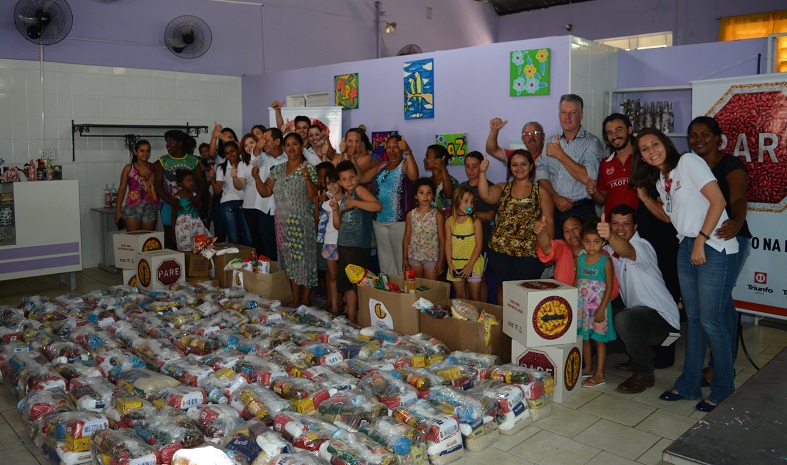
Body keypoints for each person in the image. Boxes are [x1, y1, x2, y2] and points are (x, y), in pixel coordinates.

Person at [630, 128, 739, 412]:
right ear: (641, 157)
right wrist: (645, 198)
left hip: (713, 245)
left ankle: (724, 388)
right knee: (695, 320)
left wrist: (701, 240)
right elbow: (669, 218)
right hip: (687, 244)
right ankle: (690, 384)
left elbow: (718, 201)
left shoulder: (688, 162)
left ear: (666, 144)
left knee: (712, 321)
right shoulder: (663, 180)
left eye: (655, 144)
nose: (651, 151)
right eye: (644, 149)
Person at [688, 116, 752, 387]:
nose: (698, 140)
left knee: (720, 303)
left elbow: (738, 198)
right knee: (720, 303)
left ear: (718, 138)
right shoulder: (692, 164)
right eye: (693, 135)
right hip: (703, 241)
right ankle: (720, 365)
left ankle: (720, 368)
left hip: (729, 238)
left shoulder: (731, 164)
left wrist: (736, 223)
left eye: (705, 134)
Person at [596, 204, 681, 394]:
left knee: (624, 319)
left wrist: (610, 236)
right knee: (596, 321)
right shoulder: (609, 250)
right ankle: (639, 354)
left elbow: (627, 250)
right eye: (615, 223)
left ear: (635, 227)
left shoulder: (642, 246)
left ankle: (644, 373)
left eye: (626, 224)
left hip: (667, 326)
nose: (620, 228)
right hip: (640, 320)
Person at [478, 149, 554, 304]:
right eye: (514, 165)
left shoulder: (540, 191)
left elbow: (550, 222)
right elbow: (486, 195)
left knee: (524, 292)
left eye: (523, 164)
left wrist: (550, 252)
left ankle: (520, 321)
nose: (519, 168)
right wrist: (481, 173)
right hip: (499, 250)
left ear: (531, 166)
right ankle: (504, 319)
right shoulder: (503, 187)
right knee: (502, 288)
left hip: (529, 253)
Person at [253, 133, 320, 307]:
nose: (291, 148)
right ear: (284, 147)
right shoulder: (278, 169)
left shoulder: (309, 168)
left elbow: (314, 196)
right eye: (288, 145)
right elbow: (266, 192)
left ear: (301, 146)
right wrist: (256, 178)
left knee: (305, 262)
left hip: (302, 224)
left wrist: (306, 178)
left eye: (294, 144)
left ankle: (306, 300)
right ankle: (295, 298)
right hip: (282, 225)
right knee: (289, 262)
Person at [535, 94, 604, 238]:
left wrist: (560, 154)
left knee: (583, 251)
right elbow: (541, 173)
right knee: (557, 250)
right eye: (563, 112)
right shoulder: (550, 141)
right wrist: (555, 197)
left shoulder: (592, 142)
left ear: (581, 115)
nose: (567, 117)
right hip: (554, 208)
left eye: (572, 112)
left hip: (581, 210)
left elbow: (589, 177)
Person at [331, 160, 382, 323]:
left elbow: (377, 206)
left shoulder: (359, 190)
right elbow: (337, 225)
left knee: (357, 282)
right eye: (344, 179)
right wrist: (335, 211)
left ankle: (356, 316)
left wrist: (355, 202)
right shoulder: (343, 199)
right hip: (344, 245)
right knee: (347, 283)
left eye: (351, 177)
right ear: (339, 182)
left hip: (358, 246)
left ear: (358, 177)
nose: (349, 182)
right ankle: (351, 316)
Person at [363, 135, 419, 276]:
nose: (392, 151)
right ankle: (389, 288)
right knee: (385, 261)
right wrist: (350, 156)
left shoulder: (405, 164)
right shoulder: (382, 166)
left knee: (401, 260)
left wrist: (408, 152)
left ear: (401, 149)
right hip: (379, 221)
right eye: (389, 147)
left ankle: (403, 289)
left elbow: (414, 177)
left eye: (395, 147)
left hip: (399, 221)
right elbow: (361, 178)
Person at [576, 216, 616, 388]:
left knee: (599, 340)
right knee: (584, 338)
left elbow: (609, 287)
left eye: (596, 242)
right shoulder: (580, 260)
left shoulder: (606, 262)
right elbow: (576, 283)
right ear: (582, 242)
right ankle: (588, 367)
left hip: (599, 307)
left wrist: (601, 309)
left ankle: (600, 374)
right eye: (587, 242)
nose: (591, 246)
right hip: (582, 308)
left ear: (603, 242)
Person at [153, 130, 207, 249]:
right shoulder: (163, 161)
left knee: (193, 238)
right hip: (169, 204)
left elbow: (201, 181)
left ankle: (191, 261)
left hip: (190, 204)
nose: (168, 145)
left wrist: (198, 197)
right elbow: (157, 185)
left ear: (180, 143)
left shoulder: (193, 160)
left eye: (171, 141)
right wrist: (170, 201)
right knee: (171, 238)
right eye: (167, 142)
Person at [587, 113, 639, 217]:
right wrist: (594, 192)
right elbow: (601, 200)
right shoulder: (605, 163)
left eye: (619, 130)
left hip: (639, 222)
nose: (614, 136)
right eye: (610, 133)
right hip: (612, 223)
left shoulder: (642, 159)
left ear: (629, 130)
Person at [252, 127, 287, 261]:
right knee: (268, 247)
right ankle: (271, 272)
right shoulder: (263, 157)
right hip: (265, 209)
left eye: (266, 140)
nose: (263, 143)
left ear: (277, 141)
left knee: (284, 246)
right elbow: (255, 158)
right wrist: (257, 147)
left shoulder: (289, 158)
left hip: (284, 210)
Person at [209, 141, 253, 246]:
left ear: (238, 151)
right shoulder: (221, 168)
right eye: (227, 153)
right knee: (234, 238)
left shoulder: (247, 164)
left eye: (232, 151)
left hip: (246, 203)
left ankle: (249, 256)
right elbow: (217, 190)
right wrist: (212, 178)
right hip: (228, 203)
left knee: (249, 237)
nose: (230, 155)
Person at [445, 186, 485, 301]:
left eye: (472, 202)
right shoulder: (449, 222)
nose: (470, 205)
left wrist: (470, 265)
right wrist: (450, 264)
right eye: (466, 201)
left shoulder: (475, 221)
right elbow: (448, 243)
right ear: (457, 201)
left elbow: (479, 244)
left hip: (473, 263)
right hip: (456, 263)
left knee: (475, 297)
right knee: (460, 297)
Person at [402, 178, 445, 280]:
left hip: (432, 258)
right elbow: (407, 237)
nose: (425, 196)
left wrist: (441, 261)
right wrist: (404, 258)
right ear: (416, 195)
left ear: (433, 195)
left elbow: (442, 239)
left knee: (431, 287)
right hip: (414, 257)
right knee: (417, 286)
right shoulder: (410, 215)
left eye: (428, 193)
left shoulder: (438, 215)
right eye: (421, 193)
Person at [115, 139, 158, 232]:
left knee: (148, 239)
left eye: (148, 151)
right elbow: (122, 189)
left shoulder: (154, 167)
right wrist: (117, 211)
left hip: (150, 207)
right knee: (134, 238)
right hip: (133, 206)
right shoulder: (128, 168)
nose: (145, 153)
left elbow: (157, 187)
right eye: (142, 151)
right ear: (135, 152)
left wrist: (150, 174)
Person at [316, 167, 342, 315]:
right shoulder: (326, 205)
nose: (331, 186)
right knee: (332, 276)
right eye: (328, 183)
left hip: (344, 242)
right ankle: (335, 307)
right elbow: (324, 223)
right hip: (330, 241)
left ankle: (342, 304)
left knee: (343, 276)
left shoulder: (347, 200)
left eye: (334, 182)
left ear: (340, 182)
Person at [207, 122, 239, 242]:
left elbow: (241, 146)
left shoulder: (240, 155)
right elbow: (211, 153)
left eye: (230, 137)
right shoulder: (221, 158)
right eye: (223, 138)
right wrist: (215, 135)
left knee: (236, 233)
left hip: (239, 195)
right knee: (220, 230)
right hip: (221, 194)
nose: (225, 139)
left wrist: (221, 135)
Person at [534, 215, 584, 286]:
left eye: (575, 228)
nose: (571, 233)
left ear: (584, 230)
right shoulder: (563, 248)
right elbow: (547, 248)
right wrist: (541, 232)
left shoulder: (594, 250)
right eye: (566, 231)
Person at [172, 170, 209, 252]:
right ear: (180, 183)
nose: (191, 183)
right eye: (188, 181)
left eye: (192, 180)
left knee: (200, 247)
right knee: (185, 247)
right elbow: (173, 215)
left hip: (196, 224)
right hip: (182, 226)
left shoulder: (195, 196)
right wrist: (173, 233)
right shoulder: (176, 197)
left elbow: (198, 211)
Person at [241, 133, 266, 254]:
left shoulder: (265, 157)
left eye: (251, 142)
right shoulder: (243, 164)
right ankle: (260, 262)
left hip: (265, 203)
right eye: (245, 145)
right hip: (250, 205)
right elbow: (240, 185)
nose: (249, 146)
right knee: (256, 237)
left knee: (266, 236)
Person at [423, 144, 458, 217]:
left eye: (427, 157)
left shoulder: (452, 181)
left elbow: (449, 194)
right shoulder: (426, 182)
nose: (424, 160)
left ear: (440, 160)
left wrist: (443, 169)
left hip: (447, 222)